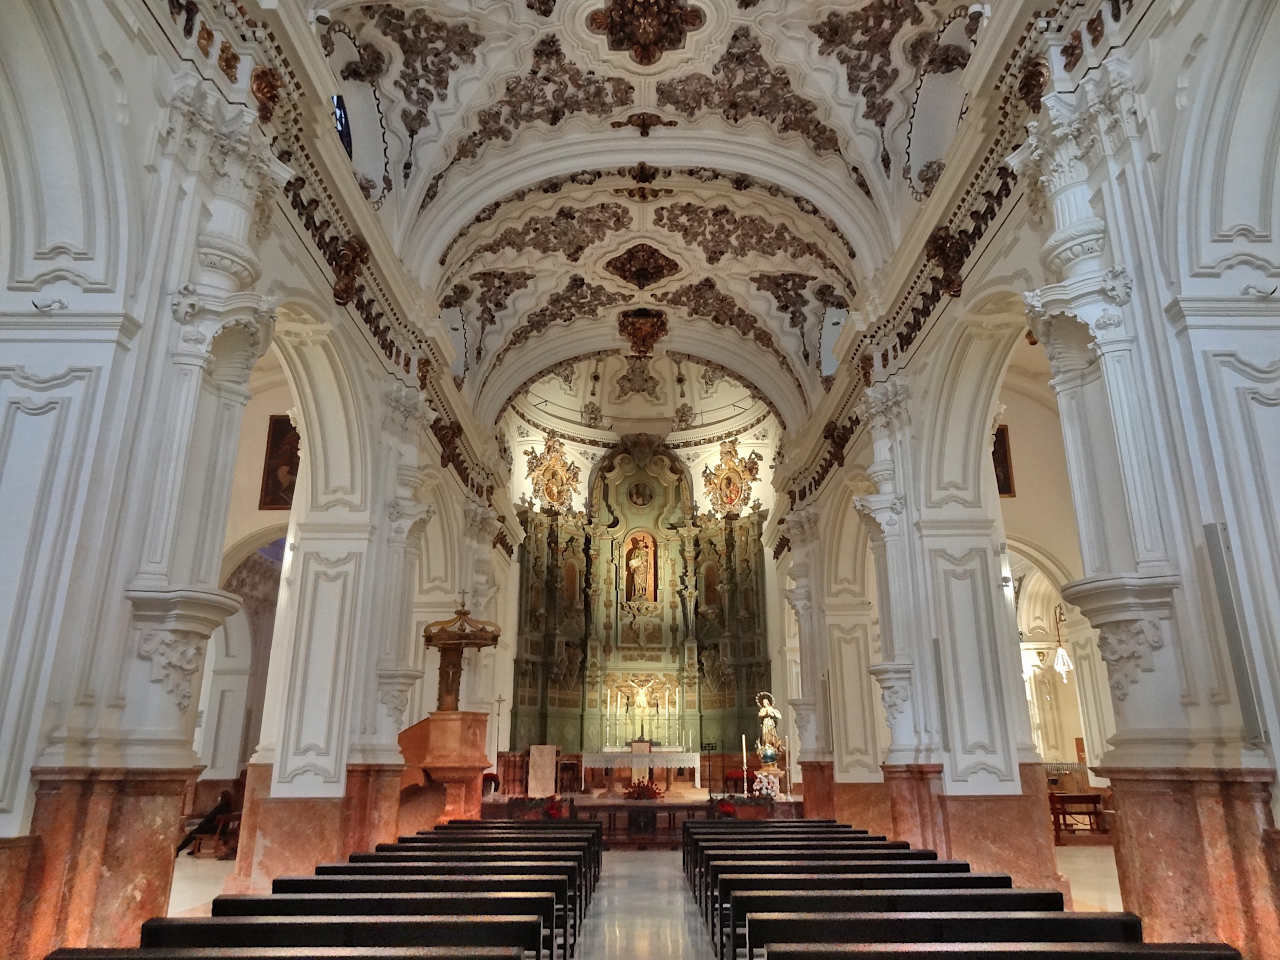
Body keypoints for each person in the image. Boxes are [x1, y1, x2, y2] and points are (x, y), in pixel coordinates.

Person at [176, 790, 234, 856]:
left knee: (193, 833)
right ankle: (196, 848)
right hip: (222, 829)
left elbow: (210, 817)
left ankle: (178, 849)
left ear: (223, 797)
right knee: (199, 829)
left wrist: (202, 823)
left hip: (216, 829)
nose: (219, 797)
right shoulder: (229, 808)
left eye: (220, 796)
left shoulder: (220, 807)